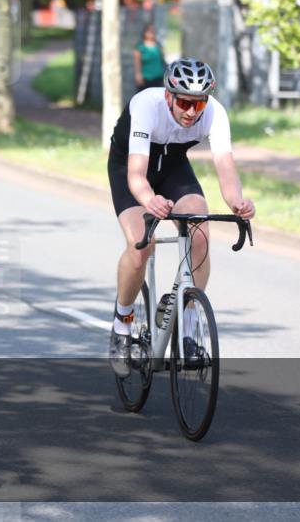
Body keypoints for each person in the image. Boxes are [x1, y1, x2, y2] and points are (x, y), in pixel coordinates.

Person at [106, 58, 255, 377]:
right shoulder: (146, 105)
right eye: (185, 102)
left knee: (199, 233)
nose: (191, 111)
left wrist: (238, 203)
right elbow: (136, 175)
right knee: (140, 245)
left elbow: (226, 170)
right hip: (130, 168)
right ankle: (122, 324)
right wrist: (150, 200)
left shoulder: (215, 113)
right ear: (169, 96)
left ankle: (187, 327)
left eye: (198, 103)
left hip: (173, 169)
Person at [133, 23, 166, 92]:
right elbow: (137, 63)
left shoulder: (158, 45)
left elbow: (162, 60)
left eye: (153, 31)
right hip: (146, 78)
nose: (151, 33)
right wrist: (138, 75)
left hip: (158, 77)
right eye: (149, 31)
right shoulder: (140, 47)